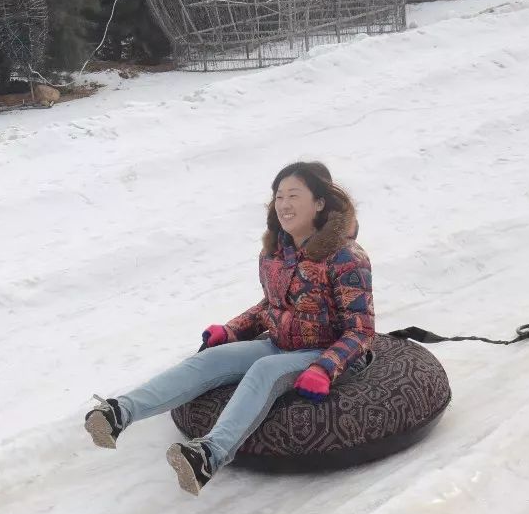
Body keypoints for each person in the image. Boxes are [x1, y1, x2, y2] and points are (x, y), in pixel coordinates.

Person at [85, 161, 375, 495]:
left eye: (294, 195)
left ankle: (209, 455)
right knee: (211, 359)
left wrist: (325, 367)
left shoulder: (346, 257)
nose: (284, 204)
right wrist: (232, 330)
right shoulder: (275, 253)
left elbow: (362, 330)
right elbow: (272, 307)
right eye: (279, 196)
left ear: (320, 202)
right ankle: (120, 412)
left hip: (330, 354)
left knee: (265, 369)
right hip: (283, 344)